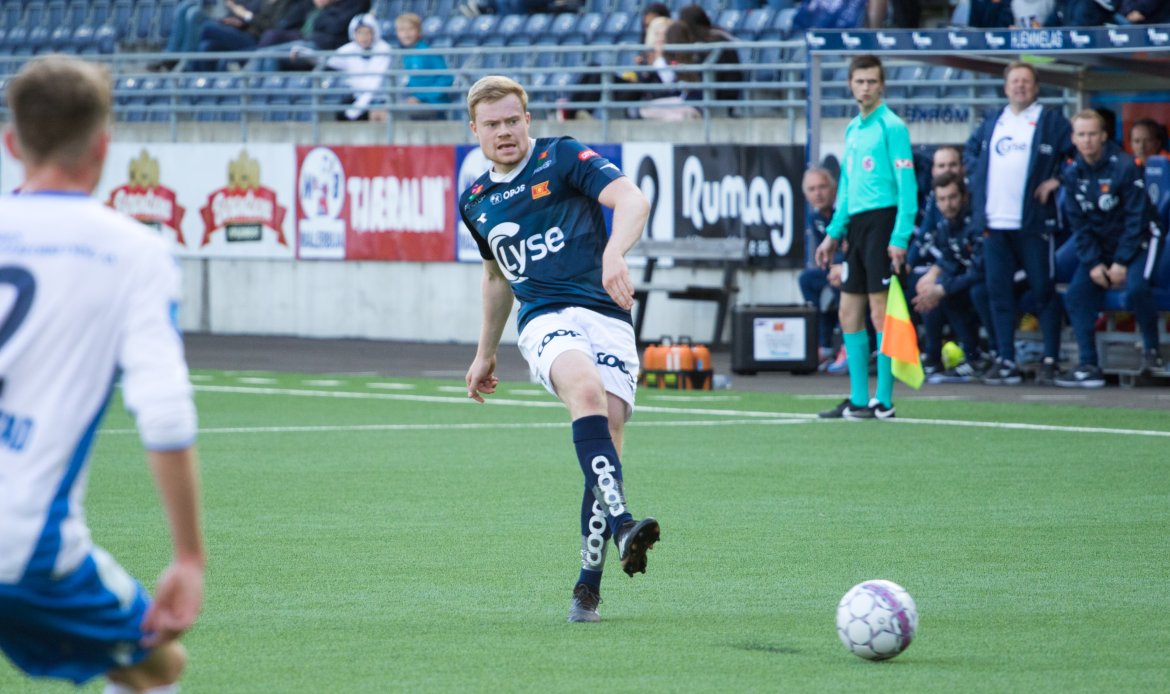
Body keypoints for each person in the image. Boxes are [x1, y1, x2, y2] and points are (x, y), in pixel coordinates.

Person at [0, 56, 205, 692]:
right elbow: (165, 411)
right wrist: (190, 557)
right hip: (21, 543)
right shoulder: (130, 250)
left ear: (12, 143)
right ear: (104, 145)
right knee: (155, 662)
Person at [460, 76, 659, 623]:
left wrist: (615, 252)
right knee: (585, 390)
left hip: (607, 314)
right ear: (474, 129)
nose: (504, 132)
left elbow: (631, 198)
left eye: (512, 120)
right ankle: (622, 523)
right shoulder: (475, 200)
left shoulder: (563, 157)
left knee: (609, 439)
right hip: (545, 317)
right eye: (492, 124)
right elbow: (497, 275)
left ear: (527, 119)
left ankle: (586, 589)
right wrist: (486, 351)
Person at [814, 54, 918, 419]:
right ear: (850, 85)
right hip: (856, 228)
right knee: (848, 312)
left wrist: (900, 236)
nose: (865, 88)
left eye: (872, 81)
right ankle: (859, 398)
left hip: (882, 222)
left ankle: (884, 400)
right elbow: (845, 187)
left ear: (882, 85)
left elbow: (908, 187)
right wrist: (832, 234)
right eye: (859, 81)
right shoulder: (853, 129)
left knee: (880, 312)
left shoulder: (893, 127)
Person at [966, 61, 1070, 385]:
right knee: (998, 293)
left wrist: (1058, 180)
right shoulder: (992, 120)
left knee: (1043, 290)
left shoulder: (1051, 121)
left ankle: (1051, 359)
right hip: (995, 223)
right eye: (1015, 81)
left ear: (1036, 87)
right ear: (1005, 86)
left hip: (1034, 223)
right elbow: (970, 154)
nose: (1020, 86)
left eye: (1026, 81)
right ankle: (1006, 359)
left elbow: (1076, 157)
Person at [1056, 109, 1165, 386]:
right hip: (1101, 246)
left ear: (1104, 135)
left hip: (1141, 239)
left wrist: (1121, 262)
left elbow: (1136, 218)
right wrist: (1093, 264)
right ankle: (1088, 364)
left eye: (1092, 134)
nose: (1087, 140)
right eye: (1081, 135)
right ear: (1074, 138)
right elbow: (1079, 226)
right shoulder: (1072, 173)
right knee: (1077, 294)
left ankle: (1153, 352)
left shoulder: (1125, 165)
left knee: (1138, 287)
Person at [908, 172, 995, 382]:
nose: (948, 204)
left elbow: (979, 270)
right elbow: (949, 258)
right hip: (970, 280)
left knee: (973, 291)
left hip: (998, 281)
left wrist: (941, 288)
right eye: (942, 199)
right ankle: (954, 356)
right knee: (935, 292)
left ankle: (996, 355)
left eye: (953, 197)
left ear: (964, 196)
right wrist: (932, 277)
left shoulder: (976, 222)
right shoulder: (945, 225)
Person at [797, 167, 846, 370]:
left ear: (833, 188)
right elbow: (826, 255)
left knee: (840, 284)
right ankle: (824, 345)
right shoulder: (815, 217)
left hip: (853, 268)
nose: (817, 193)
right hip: (833, 269)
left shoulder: (844, 210)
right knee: (807, 279)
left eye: (822, 187)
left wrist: (840, 266)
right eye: (812, 189)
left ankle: (847, 346)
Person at [307, 12, 391, 121]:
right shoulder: (350, 49)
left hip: (380, 99)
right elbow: (328, 60)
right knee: (341, 111)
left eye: (367, 33)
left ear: (374, 33)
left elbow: (373, 85)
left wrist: (356, 110)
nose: (364, 37)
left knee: (374, 115)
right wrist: (305, 53)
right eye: (360, 33)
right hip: (358, 98)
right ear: (354, 34)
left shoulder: (383, 49)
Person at [394, 12, 454, 120]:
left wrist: (421, 98)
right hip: (412, 101)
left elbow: (447, 79)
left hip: (432, 104)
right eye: (402, 30)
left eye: (410, 29)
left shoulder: (428, 52)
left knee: (395, 114)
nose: (406, 34)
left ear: (419, 31)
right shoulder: (404, 55)